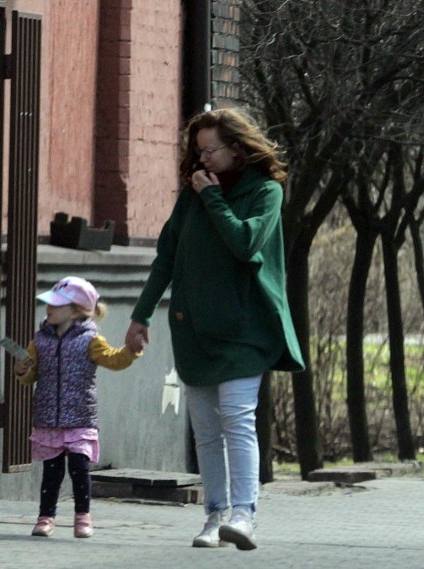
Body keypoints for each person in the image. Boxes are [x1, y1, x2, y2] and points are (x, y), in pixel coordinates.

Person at [124, 108, 304, 550]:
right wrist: (140, 315)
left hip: (245, 329)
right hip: (194, 328)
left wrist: (213, 200)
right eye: (197, 150)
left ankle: (244, 516)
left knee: (237, 420)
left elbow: (245, 245)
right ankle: (213, 516)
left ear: (238, 148)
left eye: (211, 149)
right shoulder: (192, 195)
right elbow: (166, 257)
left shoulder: (265, 192)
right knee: (205, 430)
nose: (203, 158)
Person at [14, 276, 142, 539]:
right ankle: (45, 517)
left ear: (75, 311)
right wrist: (21, 371)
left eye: (57, 305)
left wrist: (131, 351)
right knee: (52, 472)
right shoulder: (39, 340)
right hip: (49, 417)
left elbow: (114, 360)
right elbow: (30, 375)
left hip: (80, 416)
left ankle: (82, 516)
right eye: (49, 304)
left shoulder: (90, 340)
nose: (49, 309)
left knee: (79, 468)